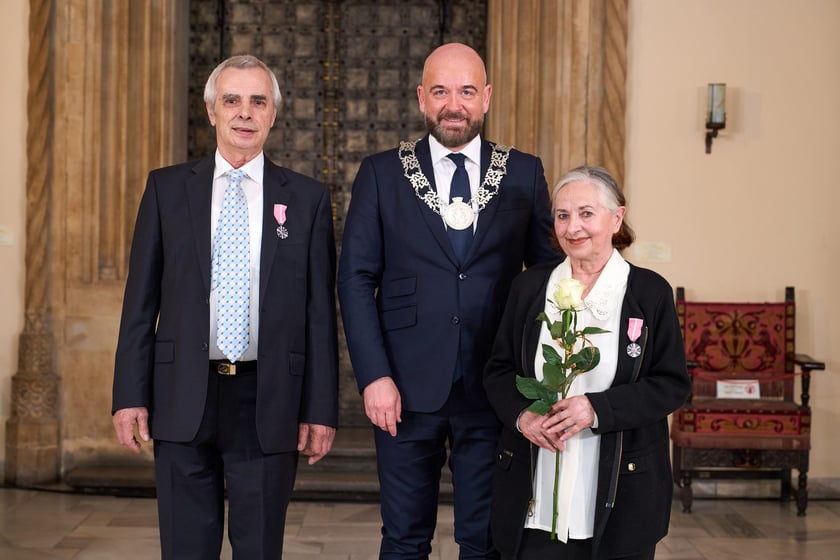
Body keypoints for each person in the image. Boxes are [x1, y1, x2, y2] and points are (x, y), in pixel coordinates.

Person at [111, 54, 339, 559]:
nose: (244, 112)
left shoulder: (306, 199)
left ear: (273, 114)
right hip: (182, 393)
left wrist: (320, 409)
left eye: (258, 101)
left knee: (259, 548)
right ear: (211, 110)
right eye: (231, 100)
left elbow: (320, 316)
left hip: (268, 397)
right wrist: (129, 393)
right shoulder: (166, 189)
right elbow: (139, 302)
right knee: (186, 548)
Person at [337, 43, 558, 559]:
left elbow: (549, 279)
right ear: (421, 98)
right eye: (440, 91)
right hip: (403, 390)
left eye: (465, 91)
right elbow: (354, 279)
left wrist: (539, 378)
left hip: (495, 387)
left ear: (485, 98)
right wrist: (374, 376)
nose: (452, 104)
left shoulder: (523, 173)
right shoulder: (382, 173)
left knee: (484, 539)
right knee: (404, 538)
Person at [483, 165, 691, 559]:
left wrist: (595, 408)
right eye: (562, 216)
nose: (572, 227)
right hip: (537, 491)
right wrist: (522, 416)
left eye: (586, 213)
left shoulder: (649, 293)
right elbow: (498, 371)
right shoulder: (529, 287)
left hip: (623, 494)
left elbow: (671, 384)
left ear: (617, 218)